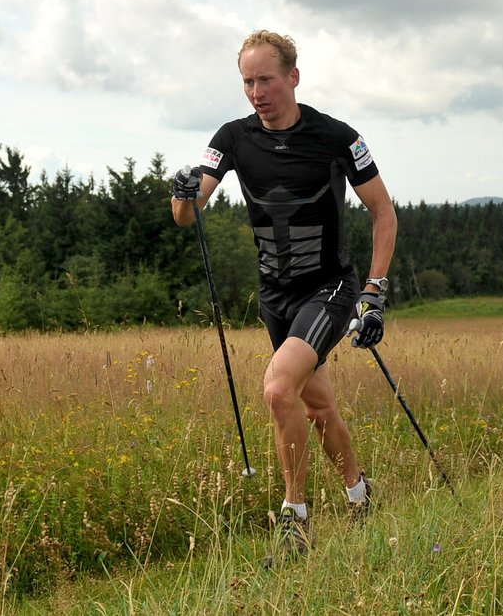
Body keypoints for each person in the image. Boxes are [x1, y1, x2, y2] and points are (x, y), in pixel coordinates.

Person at [170, 30, 397, 565]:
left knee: (276, 391)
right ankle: (360, 496)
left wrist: (373, 292)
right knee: (315, 407)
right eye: (247, 81)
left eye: (265, 79)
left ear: (293, 77)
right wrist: (180, 193)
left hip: (331, 288)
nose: (256, 92)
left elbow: (384, 214)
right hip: (274, 294)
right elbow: (189, 214)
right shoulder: (231, 137)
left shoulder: (336, 136)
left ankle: (294, 523)